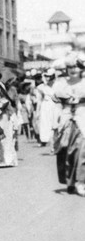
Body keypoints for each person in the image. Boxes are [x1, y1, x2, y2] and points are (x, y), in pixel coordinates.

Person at [53, 54, 85, 196]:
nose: (73, 70)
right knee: (65, 150)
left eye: (76, 66)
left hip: (82, 115)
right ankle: (69, 181)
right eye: (70, 67)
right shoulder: (61, 83)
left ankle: (81, 182)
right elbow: (57, 103)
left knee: (81, 151)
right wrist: (57, 122)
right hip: (66, 117)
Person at [35, 68, 61, 149]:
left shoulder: (58, 85)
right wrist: (37, 112)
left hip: (56, 106)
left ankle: (56, 145)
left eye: (49, 76)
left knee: (56, 126)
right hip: (46, 107)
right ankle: (52, 146)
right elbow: (39, 100)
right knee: (47, 125)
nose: (47, 78)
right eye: (46, 76)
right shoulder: (41, 87)